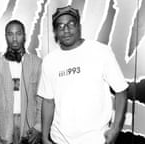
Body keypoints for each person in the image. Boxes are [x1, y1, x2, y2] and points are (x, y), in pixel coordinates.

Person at [38, 5, 128, 144]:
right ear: (55, 31)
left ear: (79, 26)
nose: (66, 30)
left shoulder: (100, 52)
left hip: (95, 139)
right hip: (59, 139)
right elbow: (48, 101)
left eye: (71, 24)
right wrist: (44, 136)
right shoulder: (49, 61)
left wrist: (115, 129)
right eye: (60, 26)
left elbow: (121, 91)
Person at [0, 20, 42, 144]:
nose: (14, 38)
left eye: (18, 33)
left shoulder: (36, 63)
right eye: (10, 34)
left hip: (29, 125)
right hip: (4, 124)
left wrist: (39, 126)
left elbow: (41, 98)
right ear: (5, 36)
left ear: (24, 36)